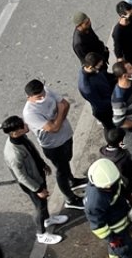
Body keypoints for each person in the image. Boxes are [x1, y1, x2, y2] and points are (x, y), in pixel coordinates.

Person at [0, 116, 68, 246]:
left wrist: (42, 164)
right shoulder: (13, 153)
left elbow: (32, 152)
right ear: (15, 132)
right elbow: (21, 177)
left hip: (38, 175)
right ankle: (41, 234)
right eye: (22, 125)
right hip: (32, 183)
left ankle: (48, 219)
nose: (26, 125)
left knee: (43, 203)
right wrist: (37, 189)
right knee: (39, 207)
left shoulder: (21, 138)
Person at [22, 79, 87, 210]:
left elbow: (65, 105)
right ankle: (70, 198)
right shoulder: (30, 113)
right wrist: (60, 112)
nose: (43, 97)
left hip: (66, 136)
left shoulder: (46, 91)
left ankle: (72, 181)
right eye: (38, 97)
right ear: (29, 97)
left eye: (43, 94)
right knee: (61, 170)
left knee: (68, 160)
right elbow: (53, 128)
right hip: (53, 146)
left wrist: (58, 117)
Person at [84, 158, 132, 258]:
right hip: (116, 231)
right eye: (107, 187)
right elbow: (97, 226)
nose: (110, 187)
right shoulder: (95, 201)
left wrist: (128, 196)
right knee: (128, 252)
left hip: (121, 219)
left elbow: (119, 187)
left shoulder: (111, 179)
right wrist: (112, 239)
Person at [98, 127, 132, 222]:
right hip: (127, 183)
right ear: (120, 142)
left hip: (113, 184)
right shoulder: (123, 158)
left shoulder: (102, 152)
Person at [78, 52, 118, 130]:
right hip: (105, 111)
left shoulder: (91, 70)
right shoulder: (87, 87)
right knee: (111, 128)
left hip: (109, 98)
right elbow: (100, 104)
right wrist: (117, 100)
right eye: (98, 66)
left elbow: (104, 76)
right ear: (90, 67)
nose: (100, 67)